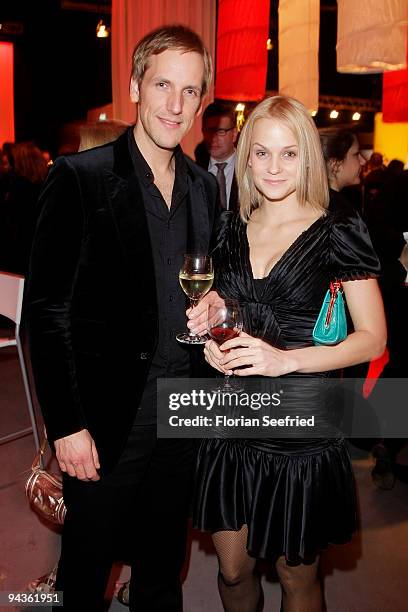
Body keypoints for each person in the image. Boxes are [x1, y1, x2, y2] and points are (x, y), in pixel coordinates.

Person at [26, 25, 218, 612]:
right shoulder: (79, 178)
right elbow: (47, 312)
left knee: (163, 572)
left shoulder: (206, 189)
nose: (175, 105)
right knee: (85, 575)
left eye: (190, 91)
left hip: (182, 411)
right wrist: (66, 426)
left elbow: (209, 288)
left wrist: (217, 311)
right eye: (163, 85)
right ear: (136, 85)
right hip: (108, 419)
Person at [188, 95, 386, 612]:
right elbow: (227, 308)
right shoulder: (231, 227)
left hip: (300, 428)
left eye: (289, 153)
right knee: (232, 572)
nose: (274, 167)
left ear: (308, 159)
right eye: (262, 153)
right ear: (246, 156)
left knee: (296, 577)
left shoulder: (338, 231)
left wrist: (286, 360)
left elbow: (373, 338)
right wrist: (212, 339)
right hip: (230, 420)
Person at [196, 101, 239, 211]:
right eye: (209, 131)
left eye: (220, 132)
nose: (213, 138)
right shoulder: (194, 173)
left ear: (234, 134)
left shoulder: (249, 169)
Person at [319, 127, 365, 213]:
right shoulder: (343, 217)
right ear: (335, 164)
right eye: (356, 154)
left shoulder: (312, 205)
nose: (363, 161)